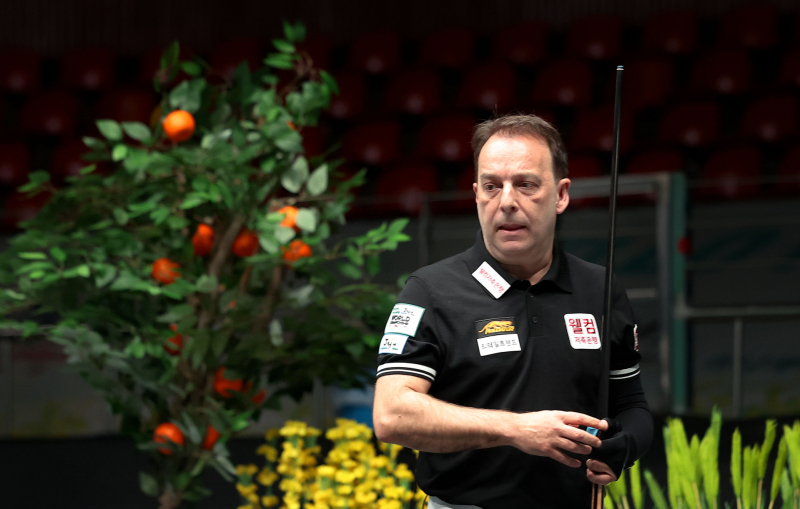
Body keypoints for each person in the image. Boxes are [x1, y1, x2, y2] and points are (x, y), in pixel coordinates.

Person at [372, 114, 653, 509]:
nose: (506, 202)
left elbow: (632, 406)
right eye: (492, 186)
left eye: (526, 184)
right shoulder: (430, 290)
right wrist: (516, 429)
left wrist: (625, 445)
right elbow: (391, 416)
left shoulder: (600, 288)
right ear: (476, 195)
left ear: (561, 195)